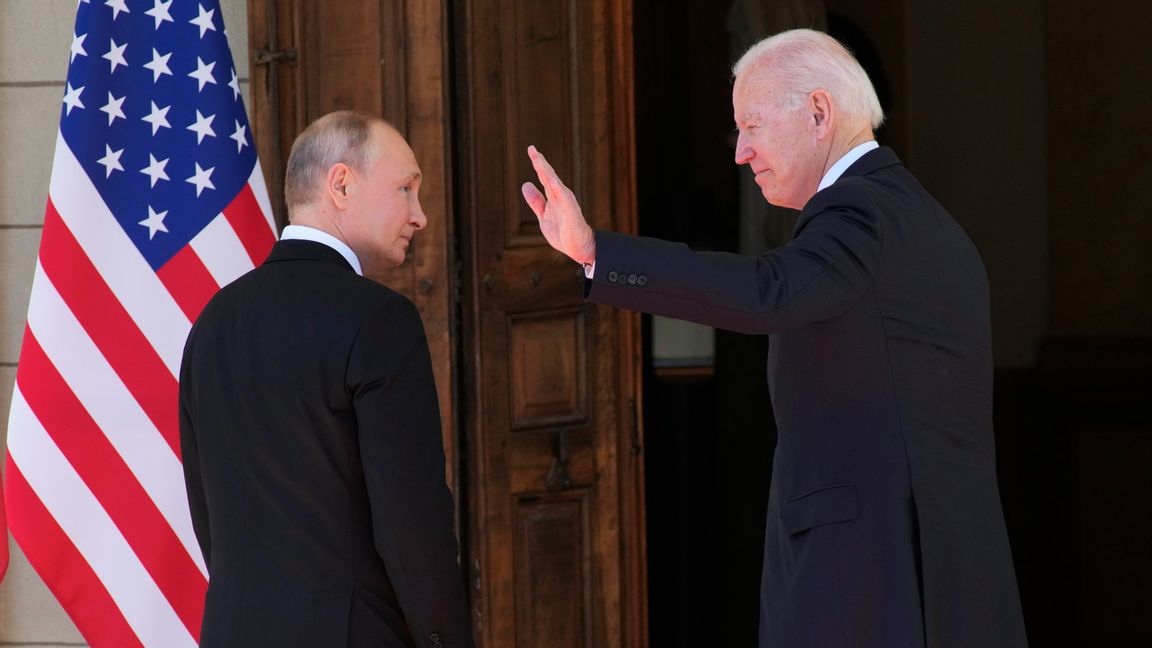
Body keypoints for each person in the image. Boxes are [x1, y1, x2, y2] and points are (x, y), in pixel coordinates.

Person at [521, 29, 1027, 648]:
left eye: (751, 126)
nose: (739, 152)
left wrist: (597, 253)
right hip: (936, 564)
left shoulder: (860, 211)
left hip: (870, 573)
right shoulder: (922, 219)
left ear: (819, 112)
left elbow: (768, 290)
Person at [180, 111, 473, 648]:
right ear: (341, 184)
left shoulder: (213, 321)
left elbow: (210, 518)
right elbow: (412, 524)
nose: (420, 215)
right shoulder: (380, 319)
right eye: (406, 189)